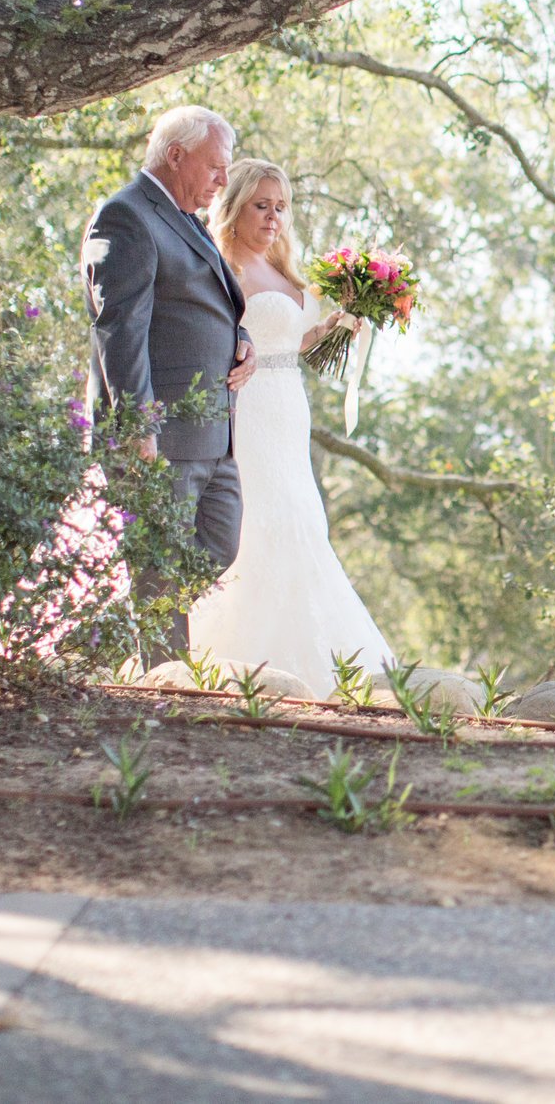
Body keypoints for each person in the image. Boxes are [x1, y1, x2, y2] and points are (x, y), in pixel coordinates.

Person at [188, 155, 396, 693]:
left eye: (280, 207)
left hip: (288, 410)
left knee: (301, 517)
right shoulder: (217, 263)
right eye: (261, 205)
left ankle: (315, 669)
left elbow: (295, 343)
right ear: (233, 206)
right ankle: (227, 656)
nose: (273, 217)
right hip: (245, 407)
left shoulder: (281, 271)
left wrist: (340, 322)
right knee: (256, 519)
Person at [81, 105, 257, 661]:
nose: (223, 181)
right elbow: (120, 329)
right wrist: (139, 427)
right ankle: (164, 687)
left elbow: (208, 304)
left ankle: (107, 630)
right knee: (158, 565)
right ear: (175, 155)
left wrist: (242, 337)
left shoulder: (184, 218)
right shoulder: (126, 215)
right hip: (159, 436)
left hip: (211, 432)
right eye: (215, 167)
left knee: (218, 545)